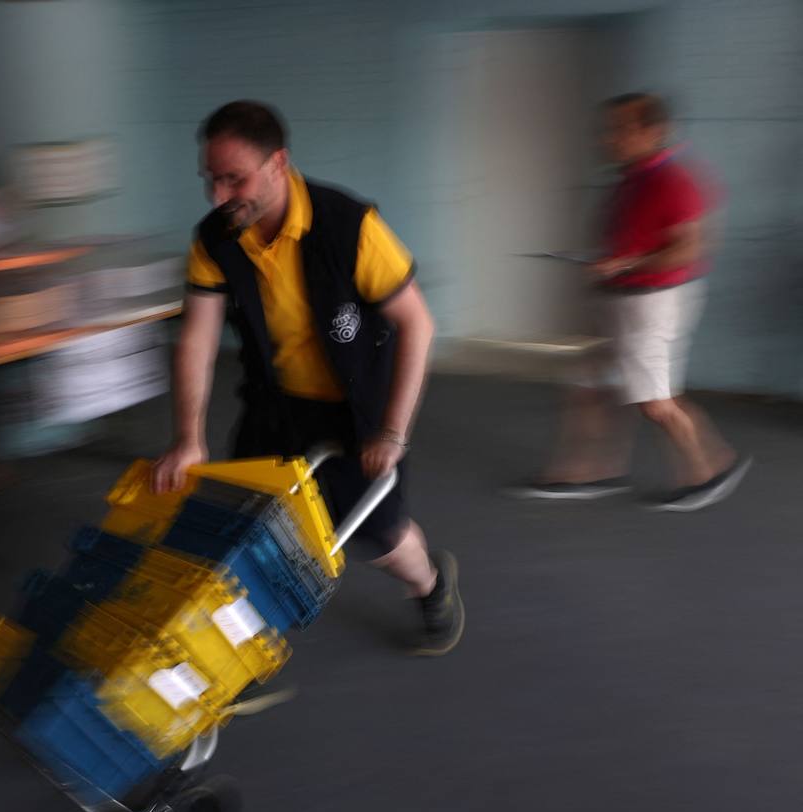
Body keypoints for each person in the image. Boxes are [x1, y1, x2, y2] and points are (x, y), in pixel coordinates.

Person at [151, 101, 464, 656]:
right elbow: (197, 338)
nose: (219, 196)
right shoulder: (216, 237)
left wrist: (391, 431)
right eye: (211, 179)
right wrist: (187, 437)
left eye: (234, 178)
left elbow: (417, 323)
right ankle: (229, 658)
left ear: (278, 163)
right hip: (275, 403)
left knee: (380, 537)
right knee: (245, 524)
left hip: (355, 407)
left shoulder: (348, 226)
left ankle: (432, 585)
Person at [517, 93, 750, 511]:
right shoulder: (633, 178)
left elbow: (689, 249)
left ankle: (710, 471)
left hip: (650, 303)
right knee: (590, 385)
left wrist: (624, 263)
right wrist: (609, 265)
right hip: (624, 298)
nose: (609, 138)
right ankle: (591, 472)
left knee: (656, 402)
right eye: (608, 129)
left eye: (621, 129)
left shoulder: (674, 181)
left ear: (653, 131)